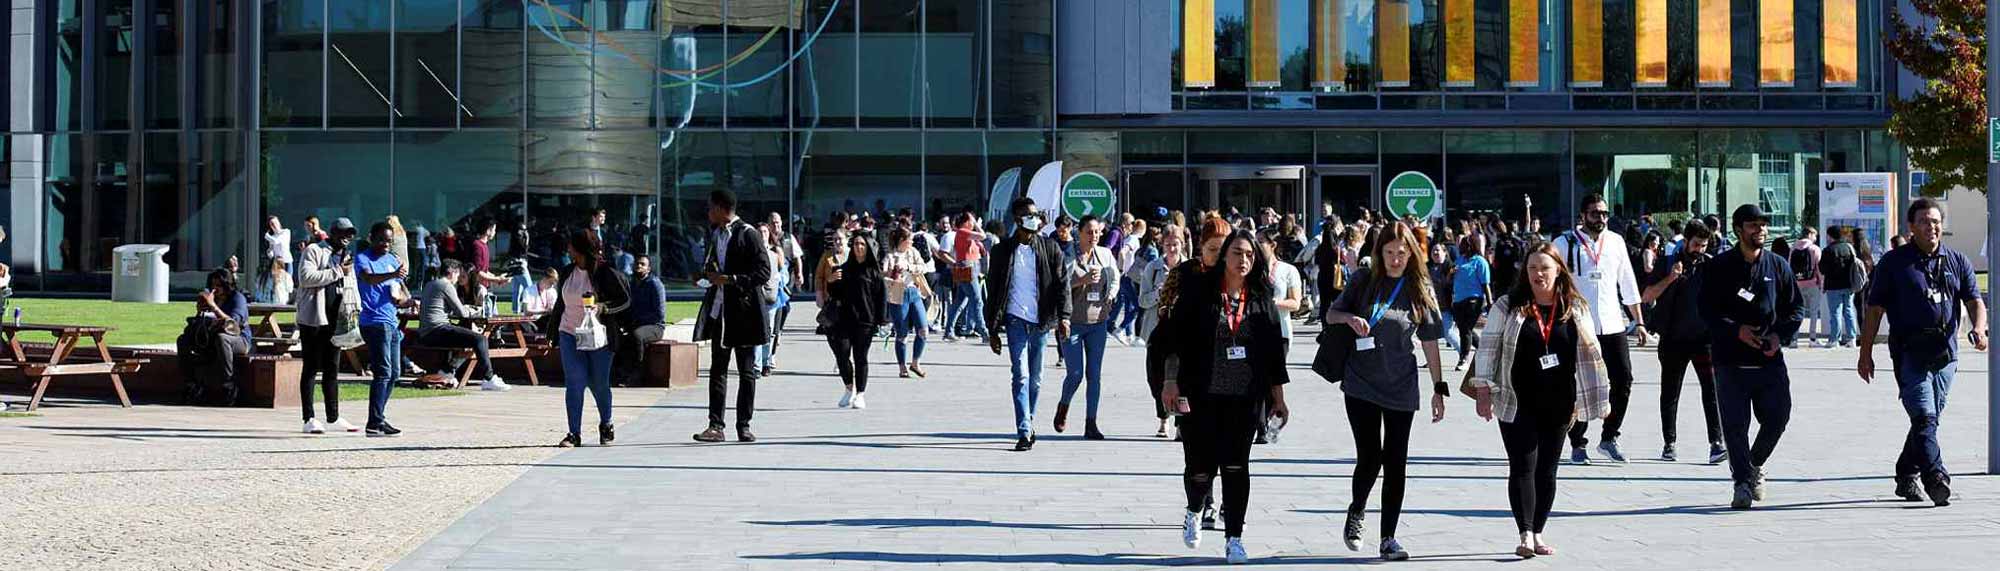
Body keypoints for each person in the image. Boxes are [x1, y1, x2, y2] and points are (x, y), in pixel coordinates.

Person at [1470, 242, 1613, 559]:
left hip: (1561, 404)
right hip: (1516, 400)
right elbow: (1488, 348)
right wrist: (1483, 390)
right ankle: (1524, 533)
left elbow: (1593, 355)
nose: (1538, 274)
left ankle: (1538, 530)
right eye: (1532, 268)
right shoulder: (1509, 306)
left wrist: (1601, 398)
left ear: (1559, 270)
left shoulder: (1574, 307)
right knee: (1522, 466)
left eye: (1544, 268)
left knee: (1547, 471)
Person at [1158, 229, 1292, 565]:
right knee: (1200, 468)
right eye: (1236, 253)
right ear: (1224, 256)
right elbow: (1175, 340)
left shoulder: (1261, 294)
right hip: (1201, 393)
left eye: (1249, 254)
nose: (1243, 260)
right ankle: (1194, 508)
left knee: (1236, 466)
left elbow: (1275, 350)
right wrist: (1170, 382)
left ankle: (1234, 537)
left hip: (1245, 398)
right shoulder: (1200, 291)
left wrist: (1278, 396)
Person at [1322, 221, 1446, 561]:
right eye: (1389, 253)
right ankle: (1357, 509)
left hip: (1401, 386)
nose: (1395, 259)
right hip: (1360, 381)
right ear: (1379, 254)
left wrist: (1439, 386)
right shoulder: (1364, 280)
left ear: (1411, 254)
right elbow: (1331, 314)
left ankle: (1388, 537)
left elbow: (1431, 340)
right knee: (1370, 457)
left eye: (1401, 254)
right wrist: (1349, 319)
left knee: (1396, 462)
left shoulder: (1420, 287)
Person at [1857, 198, 1987, 507]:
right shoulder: (1894, 263)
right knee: (1925, 418)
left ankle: (1906, 473)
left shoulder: (1956, 260)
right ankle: (1935, 477)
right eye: (1925, 222)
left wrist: (1980, 328)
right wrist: (1865, 353)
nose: (1932, 227)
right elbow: (1874, 310)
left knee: (1927, 419)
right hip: (1909, 353)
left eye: (1936, 221)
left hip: (1946, 355)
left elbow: (1973, 300)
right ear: (1911, 227)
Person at [1697, 204, 1804, 510]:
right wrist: (1735, 330)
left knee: (1779, 416)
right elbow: (1706, 311)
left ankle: (1754, 464)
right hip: (1729, 360)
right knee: (1734, 425)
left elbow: (1795, 308)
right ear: (1738, 230)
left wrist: (1778, 336)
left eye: (1763, 225)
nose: (1761, 230)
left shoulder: (1778, 266)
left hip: (1769, 359)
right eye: (1754, 225)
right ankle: (1742, 482)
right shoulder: (1719, 267)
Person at [1550, 194, 1648, 464]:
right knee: (1578, 384)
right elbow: (1550, 281)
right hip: (1578, 324)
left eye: (1604, 213)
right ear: (1582, 216)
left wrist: (1638, 321)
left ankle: (1609, 436)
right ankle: (1577, 442)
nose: (1601, 219)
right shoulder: (1564, 243)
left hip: (1612, 323)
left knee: (1623, 380)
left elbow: (1627, 282)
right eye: (1595, 213)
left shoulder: (1615, 242)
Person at [984, 197, 1071, 452]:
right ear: (1017, 219)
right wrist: (992, 329)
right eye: (1029, 215)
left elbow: (1062, 284)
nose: (1035, 218)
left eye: (1036, 214)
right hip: (1014, 320)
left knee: (1036, 379)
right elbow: (993, 290)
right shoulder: (1002, 251)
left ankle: (1029, 420)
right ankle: (1023, 429)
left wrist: (1064, 317)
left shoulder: (1050, 247)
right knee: (1020, 375)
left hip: (1041, 322)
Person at [1639, 221, 1726, 464]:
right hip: (1673, 340)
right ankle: (1669, 442)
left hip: (1703, 340)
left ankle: (1716, 443)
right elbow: (1646, 296)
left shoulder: (1709, 265)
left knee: (1711, 392)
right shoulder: (1667, 263)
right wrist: (1670, 278)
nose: (1699, 249)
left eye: (1704, 245)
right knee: (1670, 392)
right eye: (1696, 244)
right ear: (1685, 241)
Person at [693, 191, 773, 443]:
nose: (708, 213)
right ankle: (715, 425)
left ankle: (744, 425)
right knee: (718, 369)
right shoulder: (716, 234)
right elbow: (713, 269)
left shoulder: (748, 234)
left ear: (721, 208)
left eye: (710, 208)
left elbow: (763, 272)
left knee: (747, 371)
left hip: (744, 314)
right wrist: (704, 275)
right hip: (720, 313)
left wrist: (732, 280)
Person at [550, 230, 631, 447]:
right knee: (574, 382)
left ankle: (607, 423)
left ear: (581, 250)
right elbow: (561, 303)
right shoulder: (567, 272)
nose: (568, 250)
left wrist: (602, 307)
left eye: (571, 247)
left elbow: (625, 300)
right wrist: (552, 330)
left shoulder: (605, 273)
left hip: (599, 336)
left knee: (598, 384)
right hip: (569, 333)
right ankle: (573, 433)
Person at [1055, 215, 1120, 440]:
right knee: (1075, 374)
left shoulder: (1105, 254)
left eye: (1097, 232)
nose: (1094, 236)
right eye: (1089, 232)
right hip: (1071, 322)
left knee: (1094, 375)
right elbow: (1057, 285)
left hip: (1097, 323)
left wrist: (1110, 296)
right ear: (1079, 233)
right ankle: (1063, 406)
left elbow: (1115, 278)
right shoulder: (1067, 255)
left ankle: (1091, 423)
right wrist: (1080, 281)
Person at [294, 218, 361, 434]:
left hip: (337, 318)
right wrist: (338, 272)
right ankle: (309, 418)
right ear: (331, 232)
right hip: (314, 318)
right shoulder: (314, 250)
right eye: (342, 233)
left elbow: (351, 282)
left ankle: (333, 417)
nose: (346, 237)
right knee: (311, 367)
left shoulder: (347, 256)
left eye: (350, 234)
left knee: (333, 368)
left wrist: (356, 306)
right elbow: (306, 278)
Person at [414, 260, 510, 391]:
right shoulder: (446, 285)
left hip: (425, 332)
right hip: (437, 330)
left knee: (465, 337)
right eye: (458, 274)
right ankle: (489, 378)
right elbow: (463, 313)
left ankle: (446, 371)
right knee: (480, 339)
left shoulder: (430, 284)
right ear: (452, 272)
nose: (458, 278)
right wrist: (475, 310)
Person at [355, 221, 412, 437]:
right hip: (373, 321)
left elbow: (396, 291)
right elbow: (369, 279)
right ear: (371, 238)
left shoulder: (392, 261)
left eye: (389, 241)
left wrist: (406, 300)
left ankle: (379, 418)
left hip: (391, 320)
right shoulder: (363, 258)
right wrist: (393, 275)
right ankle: (374, 422)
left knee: (395, 372)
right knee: (383, 371)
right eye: (381, 240)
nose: (385, 245)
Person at [1136, 223, 1191, 438]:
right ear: (1162, 245)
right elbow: (1142, 300)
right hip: (1156, 331)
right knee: (1155, 377)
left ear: (1182, 245)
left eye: (1176, 244)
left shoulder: (1190, 268)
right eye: (1168, 244)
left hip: (1182, 332)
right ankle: (1162, 417)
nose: (1172, 249)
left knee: (1182, 378)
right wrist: (1159, 293)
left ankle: (1180, 423)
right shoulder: (1153, 268)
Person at [825, 234, 888, 409]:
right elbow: (834, 293)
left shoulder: (874, 273)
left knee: (861, 358)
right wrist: (830, 282)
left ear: (868, 247)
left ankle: (860, 394)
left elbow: (881, 298)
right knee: (842, 355)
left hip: (865, 322)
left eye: (862, 244)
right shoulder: (843, 269)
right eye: (856, 244)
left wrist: (883, 321)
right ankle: (848, 388)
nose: (859, 247)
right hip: (843, 320)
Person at [182, 268, 252, 406]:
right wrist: (200, 311)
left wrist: (214, 307)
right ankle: (191, 383)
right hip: (210, 337)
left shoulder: (237, 298)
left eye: (219, 285)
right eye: (213, 285)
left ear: (227, 285)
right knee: (183, 340)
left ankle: (228, 384)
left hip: (239, 339)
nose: (216, 289)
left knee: (222, 338)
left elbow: (233, 325)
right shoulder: (211, 298)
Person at [883, 227, 935, 378]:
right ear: (901, 240)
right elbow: (884, 276)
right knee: (902, 334)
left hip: (914, 292)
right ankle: (902, 367)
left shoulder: (913, 252)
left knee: (923, 330)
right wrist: (892, 273)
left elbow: (923, 267)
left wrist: (909, 267)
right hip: (899, 294)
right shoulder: (890, 256)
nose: (911, 241)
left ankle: (915, 362)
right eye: (909, 239)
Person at [618, 256, 668, 386]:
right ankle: (620, 373)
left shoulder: (655, 285)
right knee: (617, 335)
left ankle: (637, 375)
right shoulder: (632, 284)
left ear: (649, 268)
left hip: (655, 327)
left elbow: (659, 314)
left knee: (637, 335)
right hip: (636, 324)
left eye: (642, 264)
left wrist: (637, 321)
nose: (639, 266)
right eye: (637, 264)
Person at [1450, 235, 1493, 371]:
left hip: (1474, 300)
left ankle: (1464, 358)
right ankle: (1484, 350)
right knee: (1465, 329)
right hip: (1458, 300)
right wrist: (1451, 273)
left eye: (1466, 244)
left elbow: (1485, 284)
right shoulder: (1460, 260)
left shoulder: (1480, 261)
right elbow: (1451, 278)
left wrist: (1490, 302)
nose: (1463, 247)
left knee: (1466, 329)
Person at [1820, 226, 1865, 347]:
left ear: (1830, 236)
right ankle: (1852, 339)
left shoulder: (1828, 250)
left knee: (1835, 312)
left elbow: (1822, 269)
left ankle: (1834, 339)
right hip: (1849, 285)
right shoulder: (1849, 248)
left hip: (1833, 286)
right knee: (1849, 311)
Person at [948, 213, 990, 339]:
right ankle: (984, 332)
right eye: (971, 221)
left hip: (970, 267)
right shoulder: (962, 232)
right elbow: (983, 236)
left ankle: (949, 330)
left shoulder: (964, 234)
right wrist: (977, 225)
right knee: (977, 301)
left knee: (959, 302)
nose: (973, 224)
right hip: (967, 268)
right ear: (966, 222)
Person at [758, 225, 791, 376]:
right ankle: (757, 365)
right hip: (756, 296)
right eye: (759, 232)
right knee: (757, 331)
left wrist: (778, 282)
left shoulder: (776, 252)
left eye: (765, 231)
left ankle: (767, 362)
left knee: (769, 331)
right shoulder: (752, 252)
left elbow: (783, 273)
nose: (762, 234)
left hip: (772, 296)